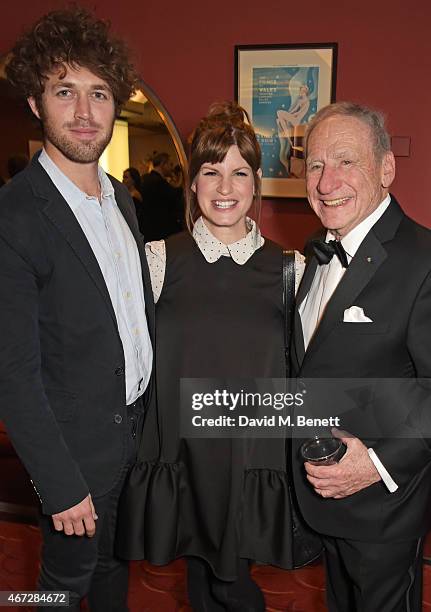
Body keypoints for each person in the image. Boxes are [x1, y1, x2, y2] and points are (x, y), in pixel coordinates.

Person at [118, 101, 305, 611]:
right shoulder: (158, 259)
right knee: (200, 582)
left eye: (239, 172)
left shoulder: (290, 269)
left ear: (255, 182)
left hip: (250, 457)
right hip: (183, 455)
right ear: (193, 183)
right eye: (211, 172)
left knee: (232, 584)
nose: (225, 188)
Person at [0, 7, 154, 611]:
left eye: (99, 93)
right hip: (73, 452)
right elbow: (13, 373)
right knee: (62, 587)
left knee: (114, 569)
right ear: (37, 104)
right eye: (66, 92)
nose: (85, 112)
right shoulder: (15, 216)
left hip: (131, 432)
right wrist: (60, 486)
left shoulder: (121, 200)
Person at [292, 101, 431, 611]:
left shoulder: (424, 260)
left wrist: (374, 464)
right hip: (323, 499)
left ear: (386, 169)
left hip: (383, 510)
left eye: (347, 161)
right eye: (315, 165)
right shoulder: (315, 250)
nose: (328, 182)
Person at [140, 151, 183, 240]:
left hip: (148, 228)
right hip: (160, 230)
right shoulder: (158, 182)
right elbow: (176, 196)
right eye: (170, 164)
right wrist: (182, 178)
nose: (171, 168)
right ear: (163, 164)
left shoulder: (145, 178)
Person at [123, 166, 145, 232]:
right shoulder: (125, 193)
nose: (123, 180)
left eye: (126, 177)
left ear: (133, 180)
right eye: (123, 177)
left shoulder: (135, 195)